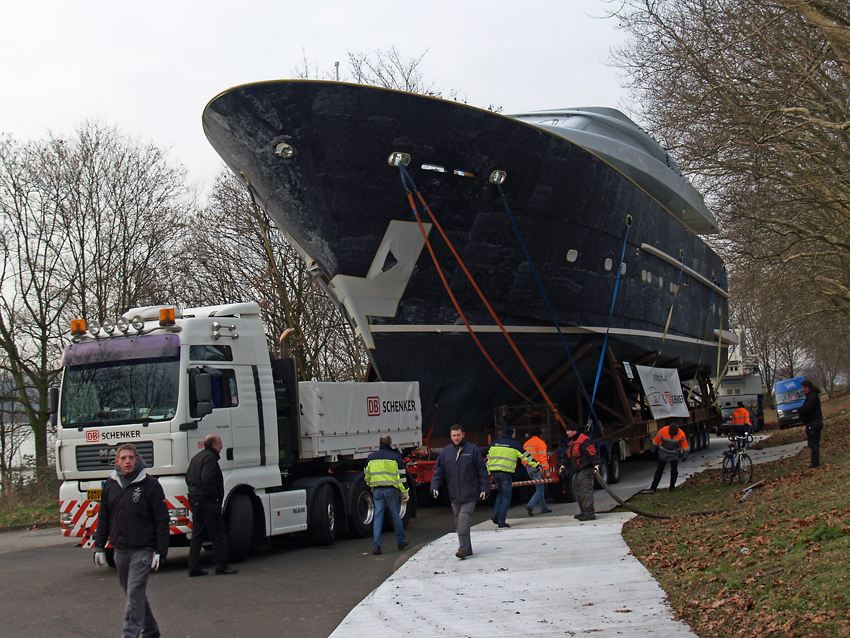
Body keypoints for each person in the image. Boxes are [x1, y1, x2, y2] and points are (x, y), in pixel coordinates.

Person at [93, 443, 169, 638]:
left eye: (131, 458)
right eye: (123, 458)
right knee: (134, 595)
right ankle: (151, 630)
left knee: (134, 592)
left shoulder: (150, 484)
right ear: (117, 462)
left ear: (137, 460)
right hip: (120, 551)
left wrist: (161, 551)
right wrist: (99, 547)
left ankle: (129, 634)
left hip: (142, 550)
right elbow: (103, 517)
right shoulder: (110, 485)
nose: (127, 461)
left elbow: (161, 520)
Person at [430, 424, 490, 559]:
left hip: (470, 493)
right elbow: (438, 471)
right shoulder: (446, 452)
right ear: (450, 436)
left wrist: (485, 488)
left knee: (463, 518)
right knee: (459, 521)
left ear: (463, 435)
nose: (456, 438)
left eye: (458, 435)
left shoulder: (473, 450)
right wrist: (434, 486)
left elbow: (482, 470)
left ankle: (462, 548)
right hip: (454, 494)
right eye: (453, 435)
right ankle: (467, 548)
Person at [186, 434, 238, 576]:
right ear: (214, 445)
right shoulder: (210, 458)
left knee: (197, 534)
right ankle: (221, 566)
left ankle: (193, 567)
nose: (222, 445)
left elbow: (188, 477)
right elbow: (207, 479)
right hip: (207, 501)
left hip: (195, 498)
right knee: (218, 534)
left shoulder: (197, 457)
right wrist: (214, 497)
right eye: (220, 443)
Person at [365, 434, 410, 555]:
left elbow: (367, 475)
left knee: (378, 517)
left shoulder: (371, 457)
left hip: (378, 490)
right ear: (390, 444)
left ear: (379, 444)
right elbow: (401, 477)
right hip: (391, 490)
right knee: (395, 516)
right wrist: (405, 491)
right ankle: (401, 541)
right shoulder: (396, 457)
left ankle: (376, 545)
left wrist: (371, 486)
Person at [486, 426, 540, 528]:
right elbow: (526, 457)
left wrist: (488, 474)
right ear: (511, 434)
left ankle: (495, 514)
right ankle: (501, 521)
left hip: (494, 473)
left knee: (500, 494)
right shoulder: (514, 445)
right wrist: (537, 465)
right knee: (506, 496)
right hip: (505, 473)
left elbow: (488, 460)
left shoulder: (493, 444)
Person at [562, 425, 600, 521]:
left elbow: (592, 452)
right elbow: (570, 456)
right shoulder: (572, 443)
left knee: (585, 491)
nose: (567, 433)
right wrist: (564, 465)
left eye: (568, 431)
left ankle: (589, 513)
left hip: (585, 469)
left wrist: (596, 464)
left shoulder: (583, 441)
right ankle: (584, 511)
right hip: (578, 470)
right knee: (577, 490)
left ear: (574, 431)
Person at [649, 424, 689, 492]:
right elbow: (656, 440)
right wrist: (653, 450)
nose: (673, 434)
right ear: (669, 430)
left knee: (674, 471)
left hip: (674, 454)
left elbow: (684, 445)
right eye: (672, 432)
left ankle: (672, 487)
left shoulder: (681, 434)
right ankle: (653, 487)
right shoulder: (663, 431)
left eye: (674, 433)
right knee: (659, 471)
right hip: (663, 453)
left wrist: (685, 455)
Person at [523, 426, 552, 516]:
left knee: (539, 489)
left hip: (529, 468)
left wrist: (527, 466)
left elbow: (523, 458)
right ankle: (530, 505)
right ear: (540, 434)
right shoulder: (541, 443)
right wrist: (546, 469)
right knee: (540, 489)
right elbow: (542, 458)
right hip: (537, 468)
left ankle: (544, 508)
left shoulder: (526, 444)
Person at [798, 379, 823, 468]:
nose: (802, 390)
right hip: (815, 422)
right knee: (813, 443)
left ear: (807, 388)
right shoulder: (812, 395)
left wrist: (799, 409)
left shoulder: (812, 396)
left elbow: (807, 409)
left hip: (813, 423)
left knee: (813, 443)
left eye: (803, 388)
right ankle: (815, 462)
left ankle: (815, 464)